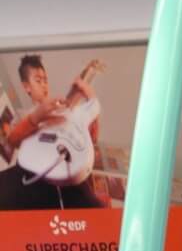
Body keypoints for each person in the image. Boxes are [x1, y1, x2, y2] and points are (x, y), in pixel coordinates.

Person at [1, 55, 105, 208]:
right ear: (26, 86)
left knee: (95, 210)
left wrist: (90, 117)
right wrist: (36, 117)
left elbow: (91, 139)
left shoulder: (64, 110)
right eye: (38, 80)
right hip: (31, 176)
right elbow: (12, 141)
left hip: (67, 176)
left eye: (45, 80)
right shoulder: (22, 115)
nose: (44, 85)